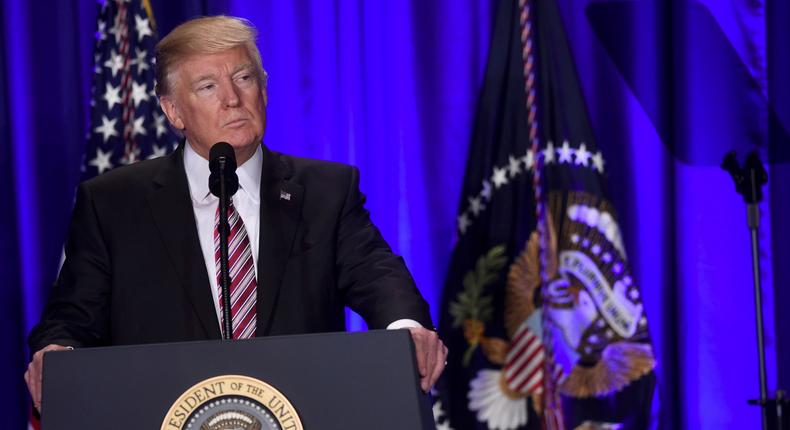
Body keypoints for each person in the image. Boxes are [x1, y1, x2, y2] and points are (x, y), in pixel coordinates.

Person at [25, 15, 446, 411]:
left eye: (244, 78)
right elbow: (71, 318)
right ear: (173, 111)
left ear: (263, 90)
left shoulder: (325, 191)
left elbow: (376, 274)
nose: (232, 99)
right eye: (207, 86)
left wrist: (405, 328)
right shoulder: (113, 203)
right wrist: (58, 353)